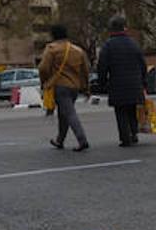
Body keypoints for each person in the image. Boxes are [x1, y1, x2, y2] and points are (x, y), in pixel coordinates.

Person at [94, 14, 146, 147]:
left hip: (117, 84)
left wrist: (102, 83)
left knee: (121, 111)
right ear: (125, 28)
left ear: (111, 29)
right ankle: (134, 133)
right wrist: (143, 82)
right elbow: (143, 65)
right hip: (135, 84)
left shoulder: (108, 45)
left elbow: (102, 67)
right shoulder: (134, 44)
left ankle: (125, 137)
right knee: (132, 109)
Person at [39, 23, 90, 152]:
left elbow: (43, 68)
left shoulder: (51, 49)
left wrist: (44, 81)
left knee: (69, 113)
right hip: (74, 86)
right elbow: (85, 70)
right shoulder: (77, 50)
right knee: (64, 113)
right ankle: (59, 140)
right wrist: (85, 87)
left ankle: (82, 139)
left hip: (60, 86)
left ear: (53, 35)